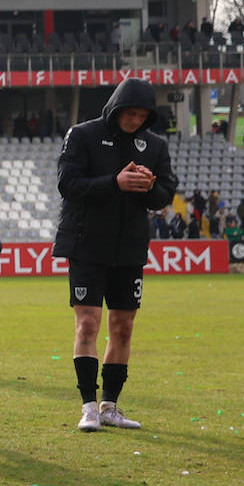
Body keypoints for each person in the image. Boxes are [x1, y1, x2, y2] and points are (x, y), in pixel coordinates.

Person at [57, 78, 177, 431]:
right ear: (116, 108)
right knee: (89, 323)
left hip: (129, 247)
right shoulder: (81, 135)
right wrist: (115, 182)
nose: (134, 121)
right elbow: (68, 184)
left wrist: (149, 186)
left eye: (142, 116)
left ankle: (111, 406)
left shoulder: (154, 145)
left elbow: (166, 193)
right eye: (130, 113)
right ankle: (89, 407)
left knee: (123, 327)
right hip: (86, 244)